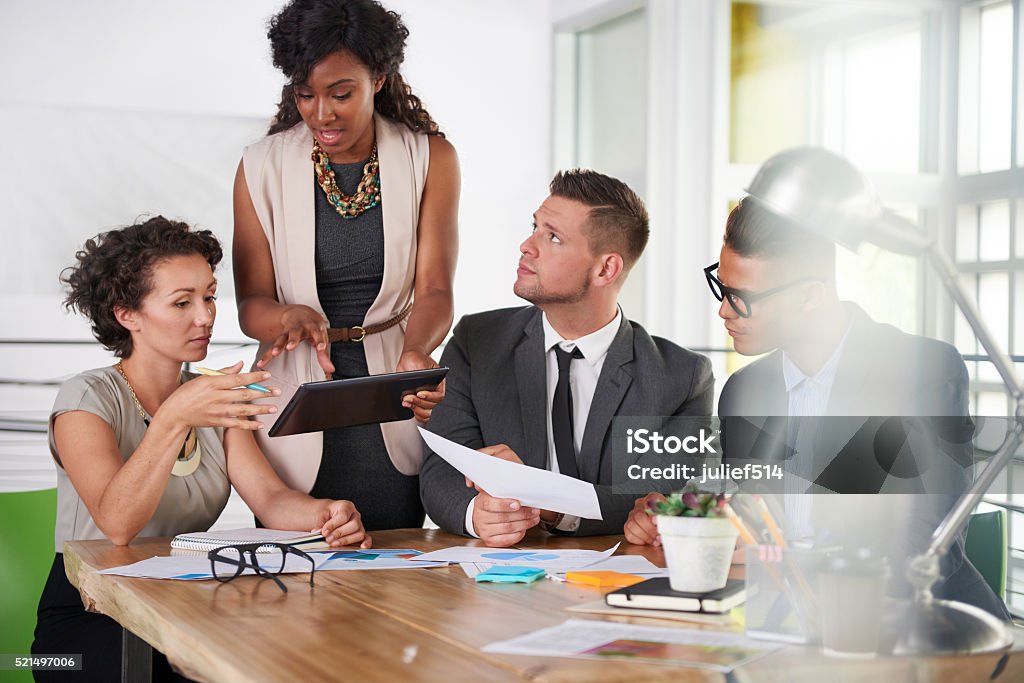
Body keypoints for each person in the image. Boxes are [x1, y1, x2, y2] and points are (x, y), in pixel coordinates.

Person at [624, 196, 1008, 619]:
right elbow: (758, 522)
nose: (723, 310)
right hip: (789, 621)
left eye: (742, 297)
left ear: (809, 296)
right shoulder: (745, 390)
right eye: (722, 287)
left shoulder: (919, 373)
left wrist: (785, 559)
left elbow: (920, 548)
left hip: (920, 625)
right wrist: (685, 525)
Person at [31, 218, 371, 683]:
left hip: (182, 603)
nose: (206, 315)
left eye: (209, 296)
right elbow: (117, 526)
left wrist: (325, 514)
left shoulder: (212, 397)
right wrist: (175, 416)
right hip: (90, 616)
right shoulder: (85, 399)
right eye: (182, 302)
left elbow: (270, 500)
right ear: (126, 314)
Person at [232, 0, 459, 530]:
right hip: (295, 400)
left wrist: (417, 352)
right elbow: (251, 305)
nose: (321, 114)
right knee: (301, 574)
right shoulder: (259, 166)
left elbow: (434, 289)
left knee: (397, 571)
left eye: (341, 94)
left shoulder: (431, 158)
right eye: (306, 95)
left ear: (378, 79)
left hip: (389, 394)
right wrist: (287, 318)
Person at [419, 169, 714, 547]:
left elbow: (662, 496)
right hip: (494, 584)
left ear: (605, 269)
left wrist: (548, 503)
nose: (527, 245)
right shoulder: (477, 342)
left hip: (613, 586)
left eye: (553, 237)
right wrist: (476, 514)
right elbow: (441, 472)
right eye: (535, 227)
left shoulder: (682, 378)